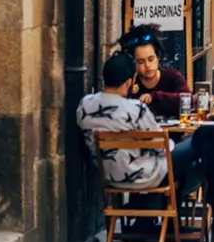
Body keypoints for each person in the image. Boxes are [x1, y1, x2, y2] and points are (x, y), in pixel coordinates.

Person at [77, 51, 198, 191]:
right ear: (129, 82)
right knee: (199, 140)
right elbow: (162, 146)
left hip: (110, 176)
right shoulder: (135, 109)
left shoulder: (85, 105)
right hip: (146, 175)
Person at [121, 25, 189, 119]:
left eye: (151, 59)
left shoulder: (173, 77)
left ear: (158, 57)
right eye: (141, 62)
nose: (147, 65)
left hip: (172, 133)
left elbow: (187, 100)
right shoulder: (129, 83)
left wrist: (155, 96)